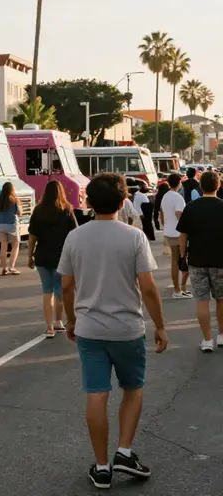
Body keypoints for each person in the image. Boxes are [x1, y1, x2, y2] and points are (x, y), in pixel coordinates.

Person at [58, 173, 167, 489]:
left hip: (90, 329)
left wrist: (72, 319)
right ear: (124, 201)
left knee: (96, 393)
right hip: (127, 328)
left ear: (88, 203)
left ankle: (102, 467)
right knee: (133, 388)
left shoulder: (75, 237)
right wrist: (160, 325)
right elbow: (147, 287)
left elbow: (66, 285)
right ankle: (124, 451)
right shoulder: (134, 237)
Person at [178, 169, 223, 352]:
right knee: (221, 299)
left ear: (200, 186)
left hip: (197, 261)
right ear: (218, 185)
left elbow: (183, 235)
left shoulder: (191, 207)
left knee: (202, 300)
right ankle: (221, 336)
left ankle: (207, 340)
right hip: (221, 260)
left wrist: (182, 256)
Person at [28, 180, 78, 337]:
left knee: (47, 291)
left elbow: (32, 236)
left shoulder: (38, 210)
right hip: (61, 257)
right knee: (60, 290)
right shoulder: (67, 210)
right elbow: (74, 234)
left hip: (42, 256)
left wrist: (30, 255)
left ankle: (49, 328)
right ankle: (58, 321)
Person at [160, 172, 190, 299]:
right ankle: (179, 289)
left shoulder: (165, 196)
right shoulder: (177, 197)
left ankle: (178, 289)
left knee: (175, 260)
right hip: (179, 233)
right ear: (179, 183)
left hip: (169, 231)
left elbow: (162, 212)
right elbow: (179, 214)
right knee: (184, 260)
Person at [0, 182, 22, 275]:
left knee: (3, 247)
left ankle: (4, 268)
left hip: (0, 225)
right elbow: (19, 213)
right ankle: (12, 267)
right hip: (12, 225)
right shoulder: (14, 200)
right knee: (15, 245)